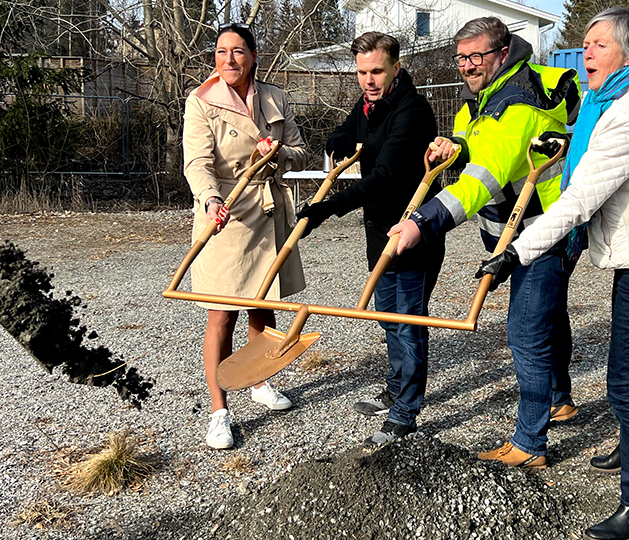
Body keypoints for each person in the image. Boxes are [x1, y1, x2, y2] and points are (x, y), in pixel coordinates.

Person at [474, 8, 629, 540]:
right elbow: (585, 155)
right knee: (628, 372)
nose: (587, 53)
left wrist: (515, 253)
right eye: (586, 44)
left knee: (625, 379)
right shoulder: (608, 102)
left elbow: (579, 199)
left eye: (599, 45)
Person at [388, 17, 582, 467]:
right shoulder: (482, 98)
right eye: (461, 57)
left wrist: (425, 220)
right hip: (522, 233)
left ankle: (530, 444)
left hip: (542, 234)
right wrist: (454, 145)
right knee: (549, 314)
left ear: (502, 52)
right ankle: (559, 397)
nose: (468, 66)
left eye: (477, 56)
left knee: (525, 331)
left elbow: (484, 177)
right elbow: (477, 144)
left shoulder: (516, 105)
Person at [295, 32, 444, 448]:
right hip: (378, 230)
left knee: (409, 321)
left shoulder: (411, 111)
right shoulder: (367, 107)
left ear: (396, 66)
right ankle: (397, 386)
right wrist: (344, 140)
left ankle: (406, 410)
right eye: (362, 72)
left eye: (376, 70)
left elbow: (385, 177)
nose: (368, 80)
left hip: (413, 230)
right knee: (386, 316)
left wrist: (327, 208)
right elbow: (340, 135)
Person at [182, 23, 309, 450]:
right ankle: (219, 412)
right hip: (226, 214)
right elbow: (196, 163)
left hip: (269, 210)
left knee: (263, 306)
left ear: (254, 56)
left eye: (237, 51)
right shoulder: (201, 102)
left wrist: (276, 151)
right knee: (222, 313)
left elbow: (299, 150)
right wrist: (210, 199)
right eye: (221, 52)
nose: (229, 60)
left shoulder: (275, 97)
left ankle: (259, 383)